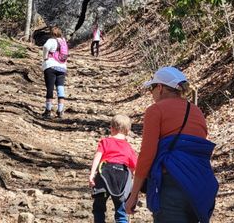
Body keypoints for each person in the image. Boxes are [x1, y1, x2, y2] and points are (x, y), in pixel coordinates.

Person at [126, 66, 218, 223]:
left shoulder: (155, 110)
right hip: (200, 187)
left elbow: (147, 154)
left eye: (152, 88)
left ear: (160, 88)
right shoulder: (197, 112)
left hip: (171, 186)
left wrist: (133, 194)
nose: (151, 93)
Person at [89, 114, 138, 223]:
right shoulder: (128, 147)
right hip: (121, 176)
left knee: (99, 207)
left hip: (104, 175)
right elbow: (133, 167)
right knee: (121, 208)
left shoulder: (105, 142)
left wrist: (92, 174)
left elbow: (97, 157)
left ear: (111, 128)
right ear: (128, 131)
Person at [42, 26, 67, 119]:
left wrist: (45, 57)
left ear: (52, 33)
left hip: (51, 66)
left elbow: (45, 47)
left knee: (50, 88)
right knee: (60, 88)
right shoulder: (63, 41)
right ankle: (60, 111)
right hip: (62, 68)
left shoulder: (51, 40)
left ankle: (48, 110)